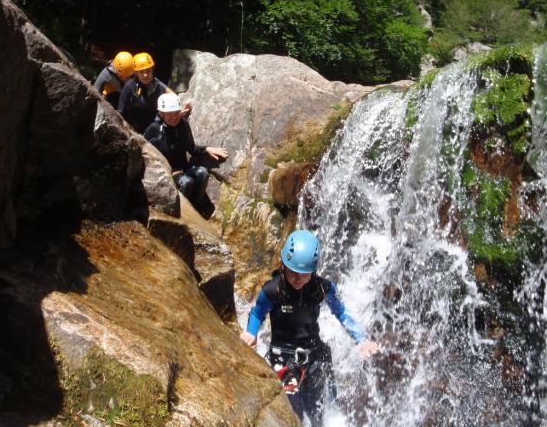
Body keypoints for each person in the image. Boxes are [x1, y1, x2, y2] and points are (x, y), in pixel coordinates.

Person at [240, 230, 378, 425]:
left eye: (303, 274)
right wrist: (250, 333)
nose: (297, 278)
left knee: (316, 414)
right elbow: (257, 313)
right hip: (284, 358)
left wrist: (360, 339)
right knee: (293, 416)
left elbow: (341, 313)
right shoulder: (273, 290)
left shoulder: (322, 289)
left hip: (313, 355)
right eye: (292, 272)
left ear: (313, 271)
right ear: (283, 265)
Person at [144, 93, 228, 219]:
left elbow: (191, 148)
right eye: (170, 114)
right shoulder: (154, 130)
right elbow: (145, 153)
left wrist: (207, 149)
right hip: (167, 174)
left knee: (202, 173)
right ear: (161, 114)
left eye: (176, 113)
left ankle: (196, 208)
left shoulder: (183, 124)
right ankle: (181, 214)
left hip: (183, 169)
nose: (174, 117)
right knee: (187, 183)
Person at [117, 52, 192, 134]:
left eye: (148, 71)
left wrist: (180, 110)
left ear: (152, 70)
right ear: (136, 73)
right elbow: (120, 111)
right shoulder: (129, 86)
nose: (145, 75)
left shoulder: (157, 84)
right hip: (133, 131)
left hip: (153, 131)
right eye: (141, 72)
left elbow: (172, 96)